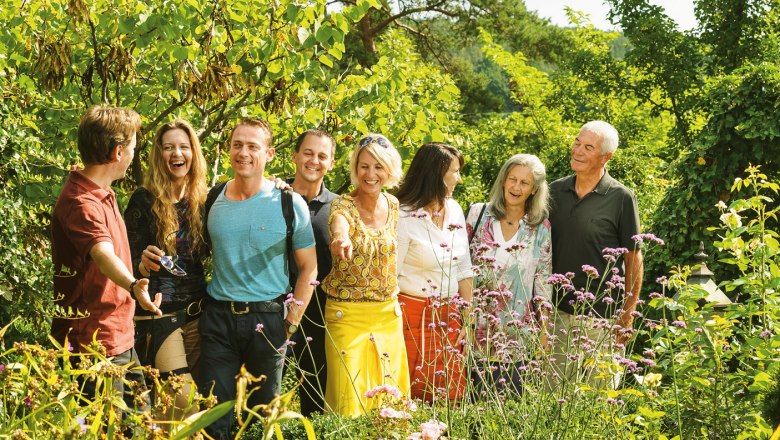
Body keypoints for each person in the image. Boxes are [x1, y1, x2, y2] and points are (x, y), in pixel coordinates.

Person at [199, 118, 317, 439]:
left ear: (270, 154)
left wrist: (291, 321)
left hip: (268, 321)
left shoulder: (288, 203)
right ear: (228, 150)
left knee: (261, 421)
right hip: (218, 319)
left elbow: (309, 267)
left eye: (253, 146)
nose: (243, 152)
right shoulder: (212, 199)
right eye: (237, 145)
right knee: (213, 415)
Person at [51, 105, 161, 415]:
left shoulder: (100, 190)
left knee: (141, 429)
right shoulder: (81, 203)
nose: (133, 157)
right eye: (133, 149)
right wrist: (133, 283)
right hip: (95, 344)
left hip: (118, 336)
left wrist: (137, 269)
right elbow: (102, 254)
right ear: (116, 153)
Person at [547, 120, 643, 389]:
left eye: (588, 147)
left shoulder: (622, 197)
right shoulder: (554, 191)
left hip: (601, 319)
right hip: (556, 315)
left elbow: (633, 259)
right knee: (553, 401)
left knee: (598, 404)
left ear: (606, 157)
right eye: (577, 142)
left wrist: (627, 314)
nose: (577, 150)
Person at [124, 119, 208, 425]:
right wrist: (141, 264)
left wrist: (280, 183)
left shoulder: (203, 199)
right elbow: (126, 259)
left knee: (174, 407)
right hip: (160, 316)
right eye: (169, 147)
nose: (177, 153)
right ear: (159, 154)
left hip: (199, 316)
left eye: (184, 147)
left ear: (193, 153)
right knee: (182, 399)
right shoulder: (143, 200)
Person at [322, 133, 410, 416]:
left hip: (387, 314)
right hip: (347, 316)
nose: (370, 174)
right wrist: (341, 239)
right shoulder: (342, 205)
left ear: (389, 170)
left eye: (378, 167)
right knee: (349, 400)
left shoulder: (394, 205)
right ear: (355, 168)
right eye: (364, 166)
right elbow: (339, 226)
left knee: (391, 402)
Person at [465, 153, 552, 396]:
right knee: (470, 410)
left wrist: (545, 331)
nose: (516, 187)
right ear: (503, 180)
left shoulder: (539, 227)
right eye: (512, 179)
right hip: (474, 333)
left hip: (517, 339)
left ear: (534, 189)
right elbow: (460, 268)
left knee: (511, 411)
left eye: (524, 183)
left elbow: (543, 281)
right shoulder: (477, 214)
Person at [395, 142, 473, 403]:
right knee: (410, 394)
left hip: (450, 317)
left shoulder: (456, 210)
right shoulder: (402, 215)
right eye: (455, 171)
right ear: (436, 174)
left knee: (449, 395)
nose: (459, 179)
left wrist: (467, 317)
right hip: (411, 316)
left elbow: (463, 266)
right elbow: (391, 276)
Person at [286, 129, 338, 416]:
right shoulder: (274, 195)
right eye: (308, 153)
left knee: (315, 405)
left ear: (331, 162)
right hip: (272, 313)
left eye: (322, 155)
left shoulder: (339, 208)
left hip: (320, 319)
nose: (314, 161)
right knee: (264, 399)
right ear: (295, 156)